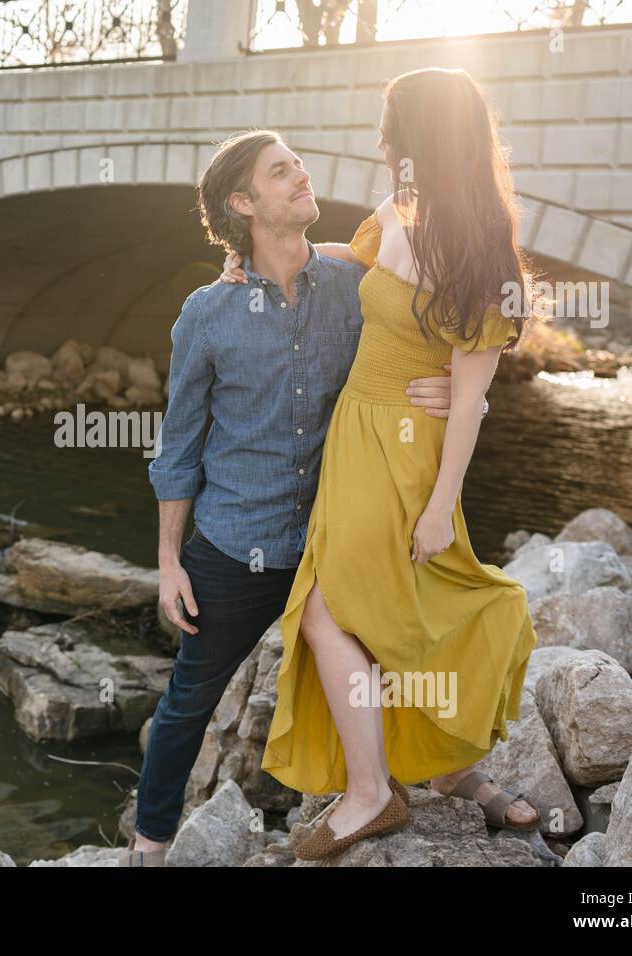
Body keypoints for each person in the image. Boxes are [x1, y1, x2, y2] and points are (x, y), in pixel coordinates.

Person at [122, 127, 488, 867]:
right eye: (280, 171)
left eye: (298, 165)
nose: (301, 177)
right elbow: (180, 443)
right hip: (232, 548)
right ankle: (147, 848)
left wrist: (463, 393)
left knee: (412, 653)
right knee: (187, 703)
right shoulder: (207, 313)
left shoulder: (358, 283)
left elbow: (457, 329)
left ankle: (459, 781)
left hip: (335, 535)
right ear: (242, 202)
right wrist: (169, 562)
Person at [225, 67, 542, 861]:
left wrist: (441, 506)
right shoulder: (396, 212)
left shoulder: (478, 249)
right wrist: (262, 262)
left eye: (390, 126)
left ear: (423, 137)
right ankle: (444, 769)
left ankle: (371, 793)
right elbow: (349, 262)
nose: (379, 141)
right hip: (354, 440)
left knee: (334, 612)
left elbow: (468, 397)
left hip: (406, 453)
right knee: (387, 606)